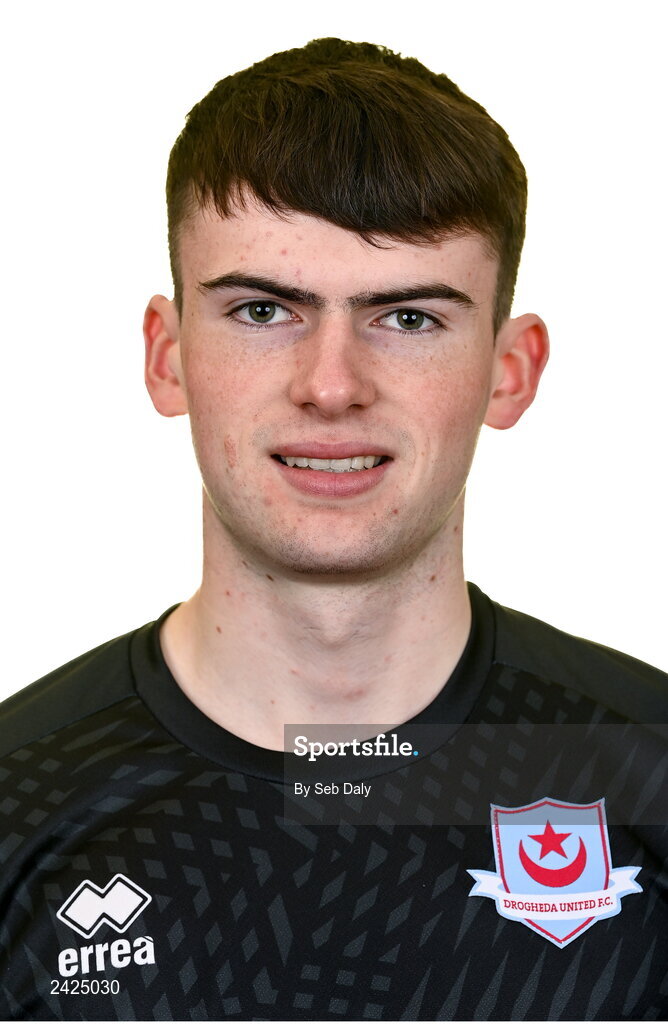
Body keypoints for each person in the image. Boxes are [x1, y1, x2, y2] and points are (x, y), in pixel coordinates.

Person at [0, 37, 666, 1022]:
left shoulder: (646, 770)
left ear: (508, 370)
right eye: (264, 309)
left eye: (405, 318)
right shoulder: (23, 797)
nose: (330, 384)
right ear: (167, 355)